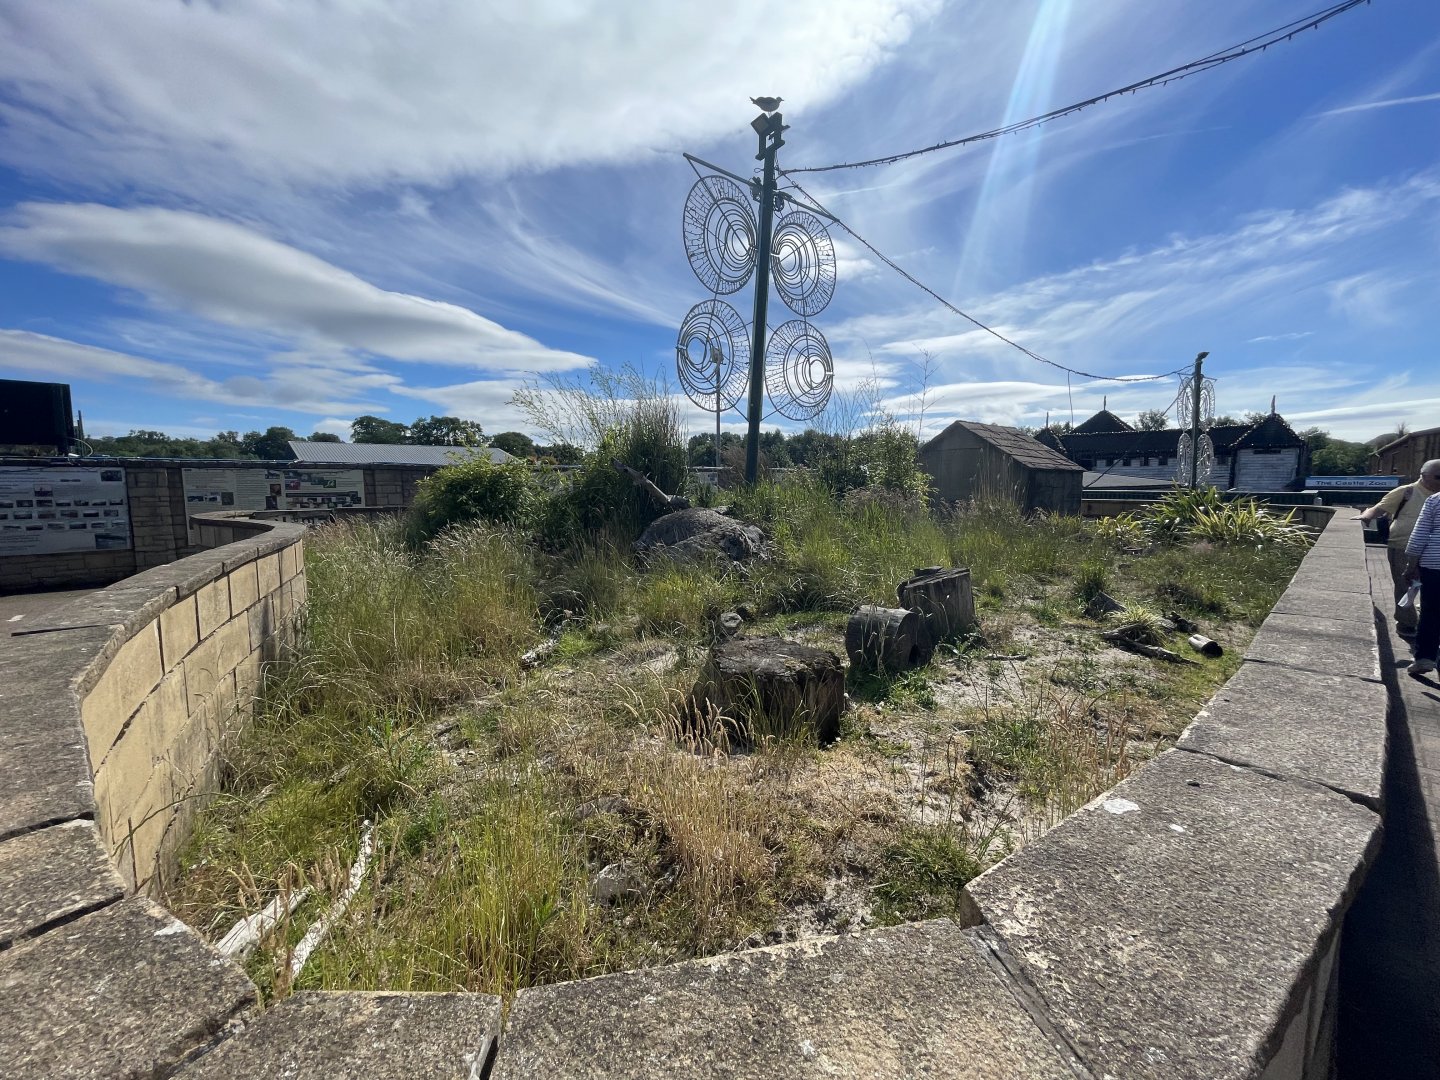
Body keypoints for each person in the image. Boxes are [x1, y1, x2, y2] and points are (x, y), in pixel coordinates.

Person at [1357, 460, 1440, 637]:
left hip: (1434, 550)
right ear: (1424, 476)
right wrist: (1365, 516)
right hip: (1402, 546)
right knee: (1405, 585)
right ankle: (1407, 623)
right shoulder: (1406, 492)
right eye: (1438, 477)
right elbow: (1380, 508)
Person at [1405, 490, 1440, 675]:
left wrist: (1411, 566)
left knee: (1432, 612)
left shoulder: (1435, 500)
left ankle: (1425, 658)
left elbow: (1419, 535)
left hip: (1435, 565)